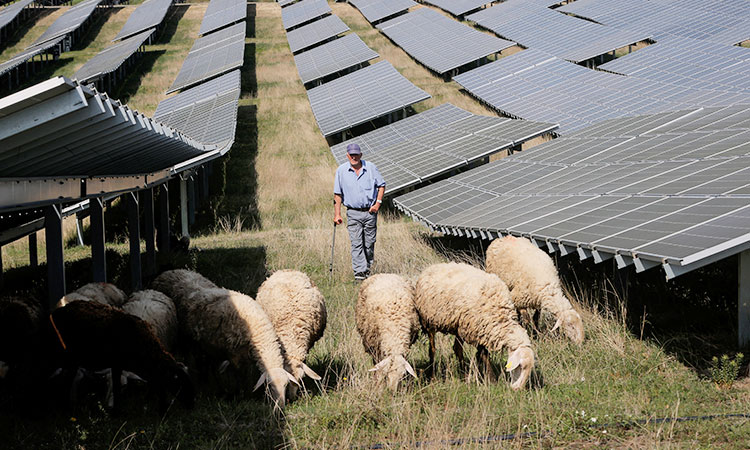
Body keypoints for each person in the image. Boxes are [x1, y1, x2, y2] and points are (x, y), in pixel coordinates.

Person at [333, 143, 386, 281]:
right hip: (353, 213)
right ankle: (360, 275)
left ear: (361, 155)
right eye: (351, 154)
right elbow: (337, 195)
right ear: (347, 155)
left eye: (356, 154)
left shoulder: (371, 168)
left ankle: (367, 270)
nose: (354, 157)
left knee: (369, 244)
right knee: (356, 244)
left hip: (369, 212)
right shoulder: (341, 171)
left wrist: (377, 204)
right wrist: (337, 214)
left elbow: (381, 185)